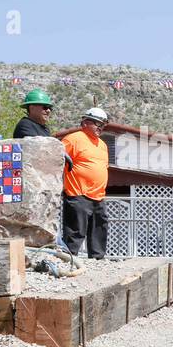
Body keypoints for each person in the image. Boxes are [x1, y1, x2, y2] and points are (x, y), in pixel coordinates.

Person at [60, 107, 111, 259]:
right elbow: (56, 158)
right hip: (78, 194)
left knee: (99, 229)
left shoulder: (102, 145)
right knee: (75, 231)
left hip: (98, 196)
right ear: (85, 122)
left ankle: (97, 260)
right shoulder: (73, 139)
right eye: (97, 123)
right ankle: (69, 260)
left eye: (102, 125)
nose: (100, 128)